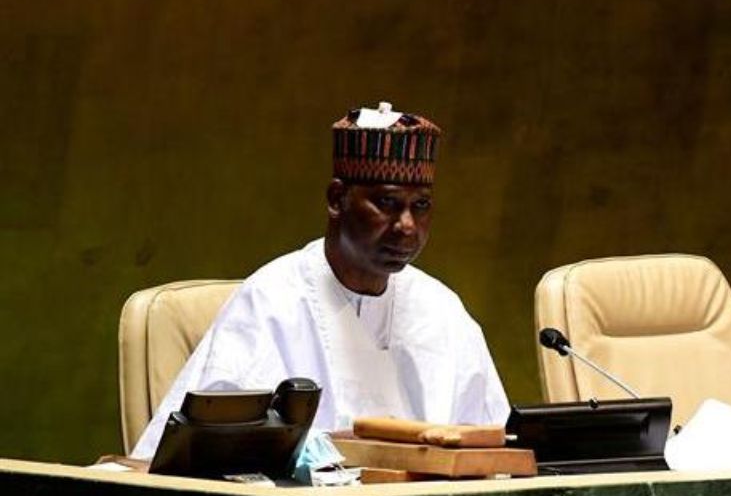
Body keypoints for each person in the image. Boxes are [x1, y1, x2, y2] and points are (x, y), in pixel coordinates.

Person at [131, 103, 509, 459]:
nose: (407, 227)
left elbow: (498, 450)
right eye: (388, 204)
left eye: (420, 206)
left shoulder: (441, 309)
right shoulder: (272, 300)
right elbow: (209, 454)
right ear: (337, 199)